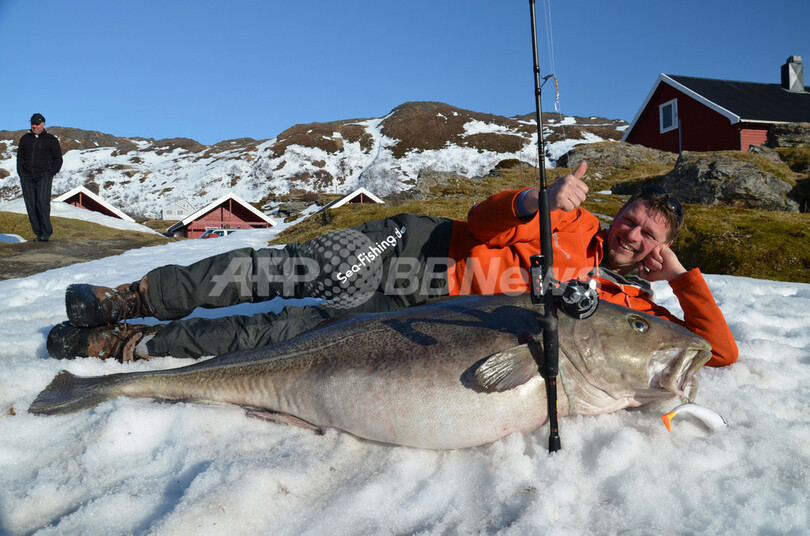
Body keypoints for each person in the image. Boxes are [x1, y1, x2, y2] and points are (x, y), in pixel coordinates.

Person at [47, 161, 738, 367]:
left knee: (285, 335)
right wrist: (537, 198)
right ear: (619, 216)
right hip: (419, 250)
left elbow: (717, 351)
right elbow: (479, 221)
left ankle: (130, 345)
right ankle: (132, 297)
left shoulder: (632, 309)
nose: (634, 237)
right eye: (633, 221)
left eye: (649, 238)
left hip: (423, 316)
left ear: (657, 250)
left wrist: (680, 278)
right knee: (280, 272)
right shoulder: (571, 216)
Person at [16, 113, 63, 242]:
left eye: (37, 124)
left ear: (43, 124)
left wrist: (50, 172)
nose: (34, 126)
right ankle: (38, 233)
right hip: (27, 176)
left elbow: (58, 159)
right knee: (30, 205)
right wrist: (21, 172)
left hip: (44, 175)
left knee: (42, 203)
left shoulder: (51, 139)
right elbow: (19, 157)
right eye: (32, 123)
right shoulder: (25, 139)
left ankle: (46, 232)